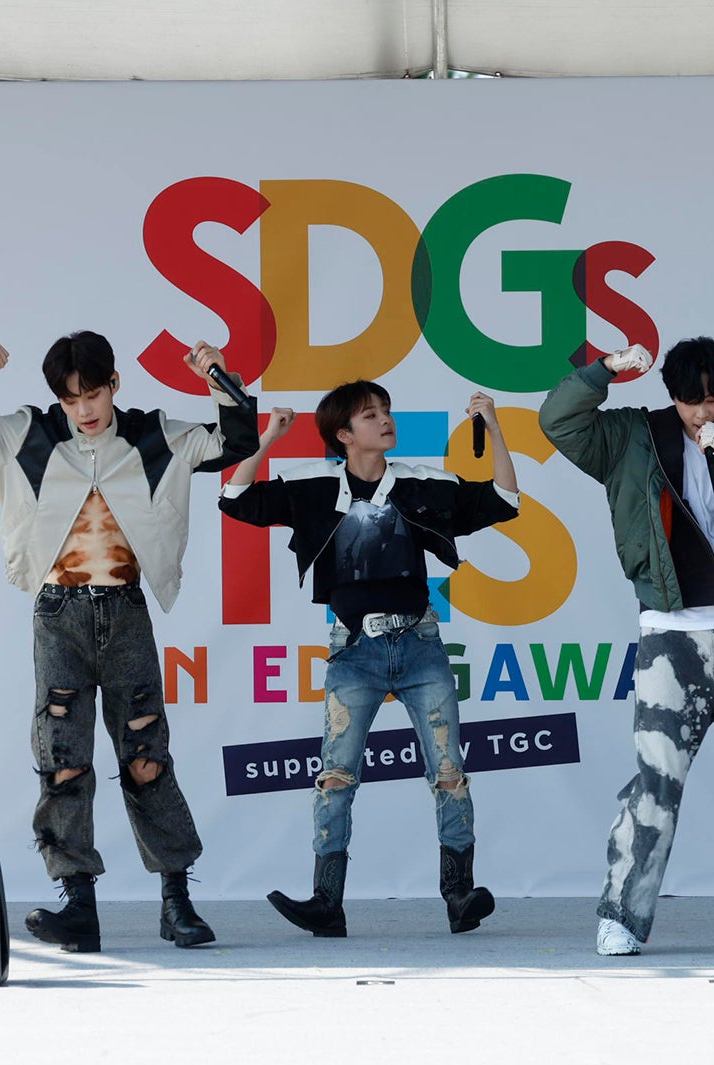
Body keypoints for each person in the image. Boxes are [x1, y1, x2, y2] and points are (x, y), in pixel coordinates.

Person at [0, 332, 257, 951]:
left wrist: (218, 377)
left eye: (93, 393)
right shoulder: (27, 433)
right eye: (71, 398)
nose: (84, 408)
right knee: (63, 758)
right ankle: (78, 905)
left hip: (125, 608)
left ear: (114, 385)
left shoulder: (155, 435)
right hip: (58, 612)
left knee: (146, 755)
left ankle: (177, 903)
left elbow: (237, 441)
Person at [539, 338, 714, 956]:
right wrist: (604, 370)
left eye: (713, 398)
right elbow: (557, 421)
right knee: (656, 782)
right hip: (668, 639)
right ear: (671, 395)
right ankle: (621, 916)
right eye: (690, 401)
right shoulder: (632, 437)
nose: (702, 412)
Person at [217, 381, 519, 937]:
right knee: (335, 777)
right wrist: (268, 439)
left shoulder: (421, 483)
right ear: (343, 434)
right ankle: (326, 904)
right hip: (355, 652)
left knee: (449, 772)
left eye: (386, 411)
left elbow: (504, 501)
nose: (385, 420)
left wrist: (494, 428)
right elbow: (235, 500)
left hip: (421, 646)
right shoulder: (313, 484)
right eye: (370, 415)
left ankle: (459, 895)